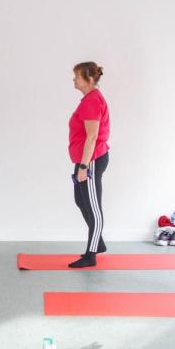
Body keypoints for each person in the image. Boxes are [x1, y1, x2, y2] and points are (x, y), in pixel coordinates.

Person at [67, 62, 111, 268]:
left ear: (89, 80)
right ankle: (98, 241)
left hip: (90, 161)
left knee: (93, 207)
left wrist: (84, 167)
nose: (74, 79)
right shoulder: (88, 100)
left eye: (77, 76)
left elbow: (92, 137)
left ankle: (91, 254)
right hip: (84, 160)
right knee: (80, 200)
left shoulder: (92, 101)